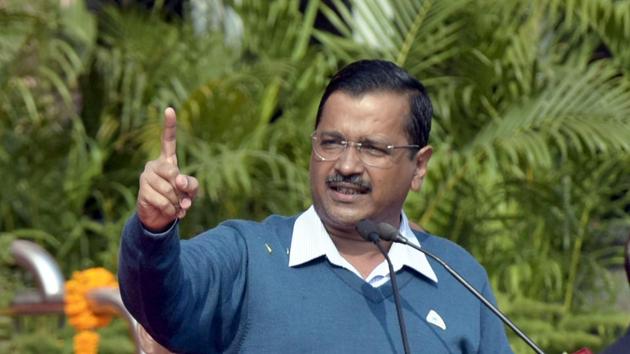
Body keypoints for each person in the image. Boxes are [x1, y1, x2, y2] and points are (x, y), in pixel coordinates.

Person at [118, 59, 514, 353]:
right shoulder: (248, 256)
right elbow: (158, 303)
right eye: (331, 142)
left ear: (419, 166)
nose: (346, 165)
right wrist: (154, 228)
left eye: (373, 148)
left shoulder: (459, 277)